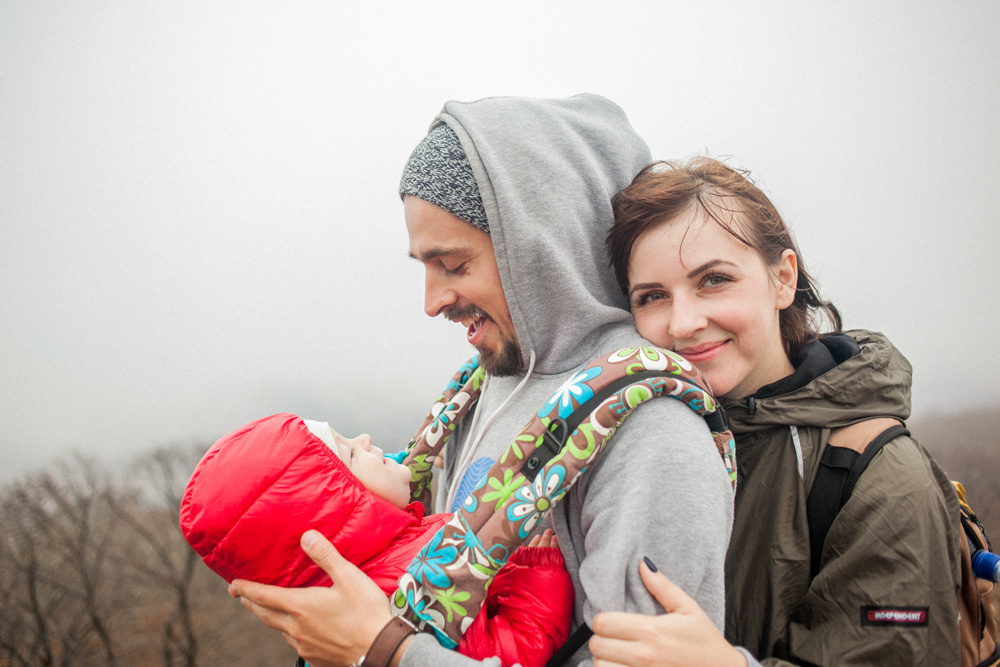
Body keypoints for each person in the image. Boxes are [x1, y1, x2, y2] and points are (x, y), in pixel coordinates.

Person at [228, 95, 735, 667]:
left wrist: (387, 654)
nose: (432, 301)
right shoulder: (477, 392)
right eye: (423, 266)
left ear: (542, 247)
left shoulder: (649, 430)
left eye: (453, 265)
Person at [591, 157, 962, 666]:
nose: (683, 323)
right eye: (652, 296)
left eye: (714, 280)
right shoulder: (642, 438)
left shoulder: (879, 475)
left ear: (782, 279)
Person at [180, 413, 573, 667]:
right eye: (350, 454)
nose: (365, 438)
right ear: (341, 508)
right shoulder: (408, 587)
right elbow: (516, 653)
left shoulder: (373, 569)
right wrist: (540, 577)